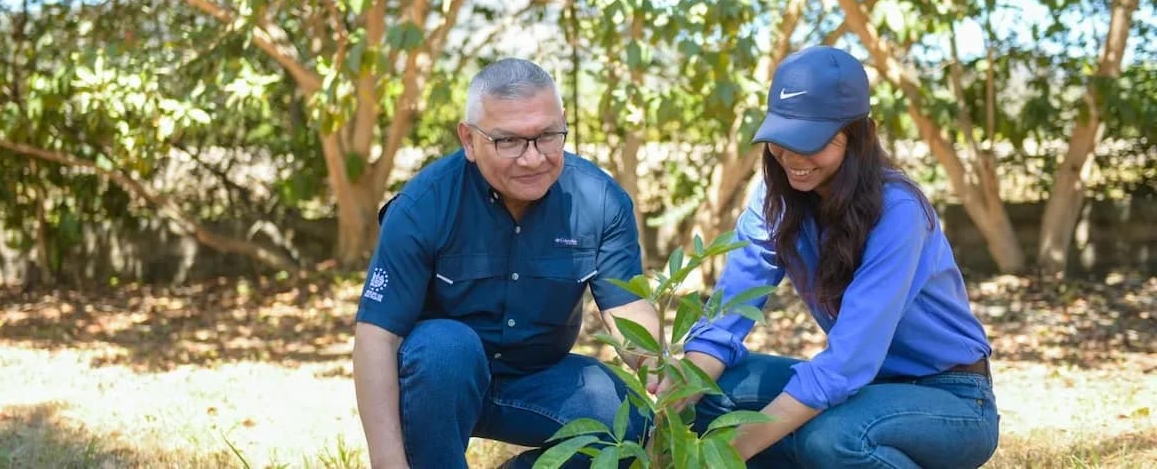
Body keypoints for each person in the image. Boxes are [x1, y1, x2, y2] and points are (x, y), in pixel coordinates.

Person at [672, 46, 1000, 467]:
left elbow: (847, 363)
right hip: (867, 390)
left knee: (831, 440)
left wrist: (730, 453)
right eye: (782, 139)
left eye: (812, 141)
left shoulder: (899, 212)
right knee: (708, 394)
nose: (793, 157)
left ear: (861, 136)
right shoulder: (776, 200)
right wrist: (678, 393)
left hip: (951, 397)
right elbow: (726, 316)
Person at [352, 58, 658, 469]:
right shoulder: (424, 205)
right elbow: (376, 336)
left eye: (547, 136)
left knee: (631, 421)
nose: (532, 159)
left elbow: (627, 310)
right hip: (438, 384)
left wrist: (661, 369)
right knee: (443, 347)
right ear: (468, 139)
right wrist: (387, 461)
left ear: (564, 122)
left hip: (540, 378)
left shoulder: (600, 200)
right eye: (508, 141)